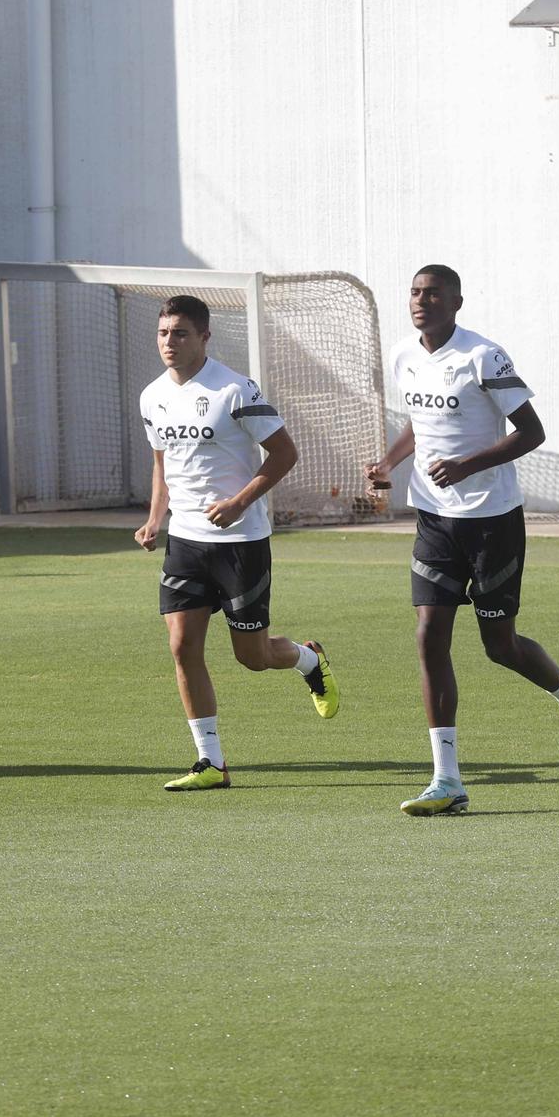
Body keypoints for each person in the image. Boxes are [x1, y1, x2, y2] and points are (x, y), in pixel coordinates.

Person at [364, 265, 559, 817]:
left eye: (434, 293)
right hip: (433, 520)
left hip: (492, 520)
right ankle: (446, 779)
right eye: (416, 293)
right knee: (429, 637)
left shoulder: (484, 358)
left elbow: (531, 432)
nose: (422, 301)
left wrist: (468, 465)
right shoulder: (404, 356)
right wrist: (388, 463)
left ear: (457, 302)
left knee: (500, 646)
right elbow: (419, 423)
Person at [134, 294, 338, 791]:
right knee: (182, 647)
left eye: (180, 333)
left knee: (252, 656)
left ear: (204, 337)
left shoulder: (235, 390)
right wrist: (154, 518)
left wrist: (240, 503)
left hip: (241, 542)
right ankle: (211, 762)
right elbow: (164, 464)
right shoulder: (151, 396)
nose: (169, 342)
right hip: (184, 541)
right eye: (163, 333)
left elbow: (284, 454)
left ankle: (308, 658)